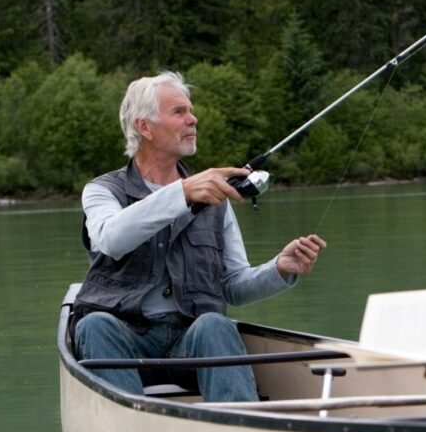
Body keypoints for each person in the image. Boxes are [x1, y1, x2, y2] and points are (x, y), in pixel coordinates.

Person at [72, 70, 326, 402]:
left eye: (191, 111)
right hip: (124, 340)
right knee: (94, 325)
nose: (192, 119)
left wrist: (279, 269)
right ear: (144, 127)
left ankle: (241, 424)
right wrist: (183, 193)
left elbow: (233, 286)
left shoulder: (216, 198)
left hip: (190, 343)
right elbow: (110, 239)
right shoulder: (102, 190)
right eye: (179, 112)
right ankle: (129, 425)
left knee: (215, 324)